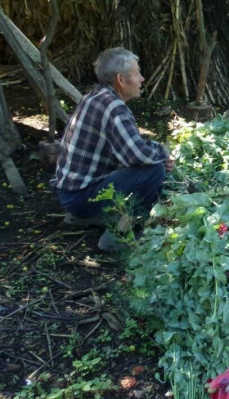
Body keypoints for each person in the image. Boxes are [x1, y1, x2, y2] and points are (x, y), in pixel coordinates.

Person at [50, 47, 174, 251]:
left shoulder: (96, 96)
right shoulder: (114, 108)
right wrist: (163, 153)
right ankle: (119, 236)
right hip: (80, 197)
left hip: (70, 192)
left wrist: (155, 156)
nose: (142, 79)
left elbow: (123, 151)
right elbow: (137, 156)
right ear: (121, 79)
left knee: (151, 164)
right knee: (154, 171)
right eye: (137, 73)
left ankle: (85, 216)